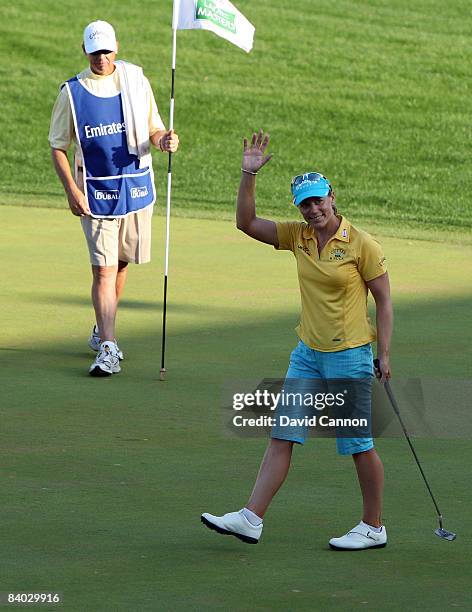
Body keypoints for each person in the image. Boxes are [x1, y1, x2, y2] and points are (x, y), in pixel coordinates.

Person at [201, 130, 393, 550]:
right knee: (282, 434)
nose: (312, 210)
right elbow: (246, 222)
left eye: (318, 200)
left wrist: (383, 352)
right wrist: (247, 174)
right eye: (305, 204)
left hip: (349, 356)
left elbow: (383, 297)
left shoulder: (362, 245)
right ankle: (251, 518)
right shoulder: (298, 236)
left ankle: (373, 526)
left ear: (332, 197)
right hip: (307, 355)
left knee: (358, 445)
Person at [49, 20, 179, 376]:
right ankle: (109, 346)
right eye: (95, 52)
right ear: (85, 51)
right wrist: (71, 191)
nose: (101, 58)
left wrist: (163, 139)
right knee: (103, 270)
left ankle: (102, 328)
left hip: (135, 188)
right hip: (95, 194)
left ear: (116, 48)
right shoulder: (72, 93)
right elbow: (58, 147)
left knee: (121, 264)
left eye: (106, 50)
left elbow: (154, 129)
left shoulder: (136, 80)